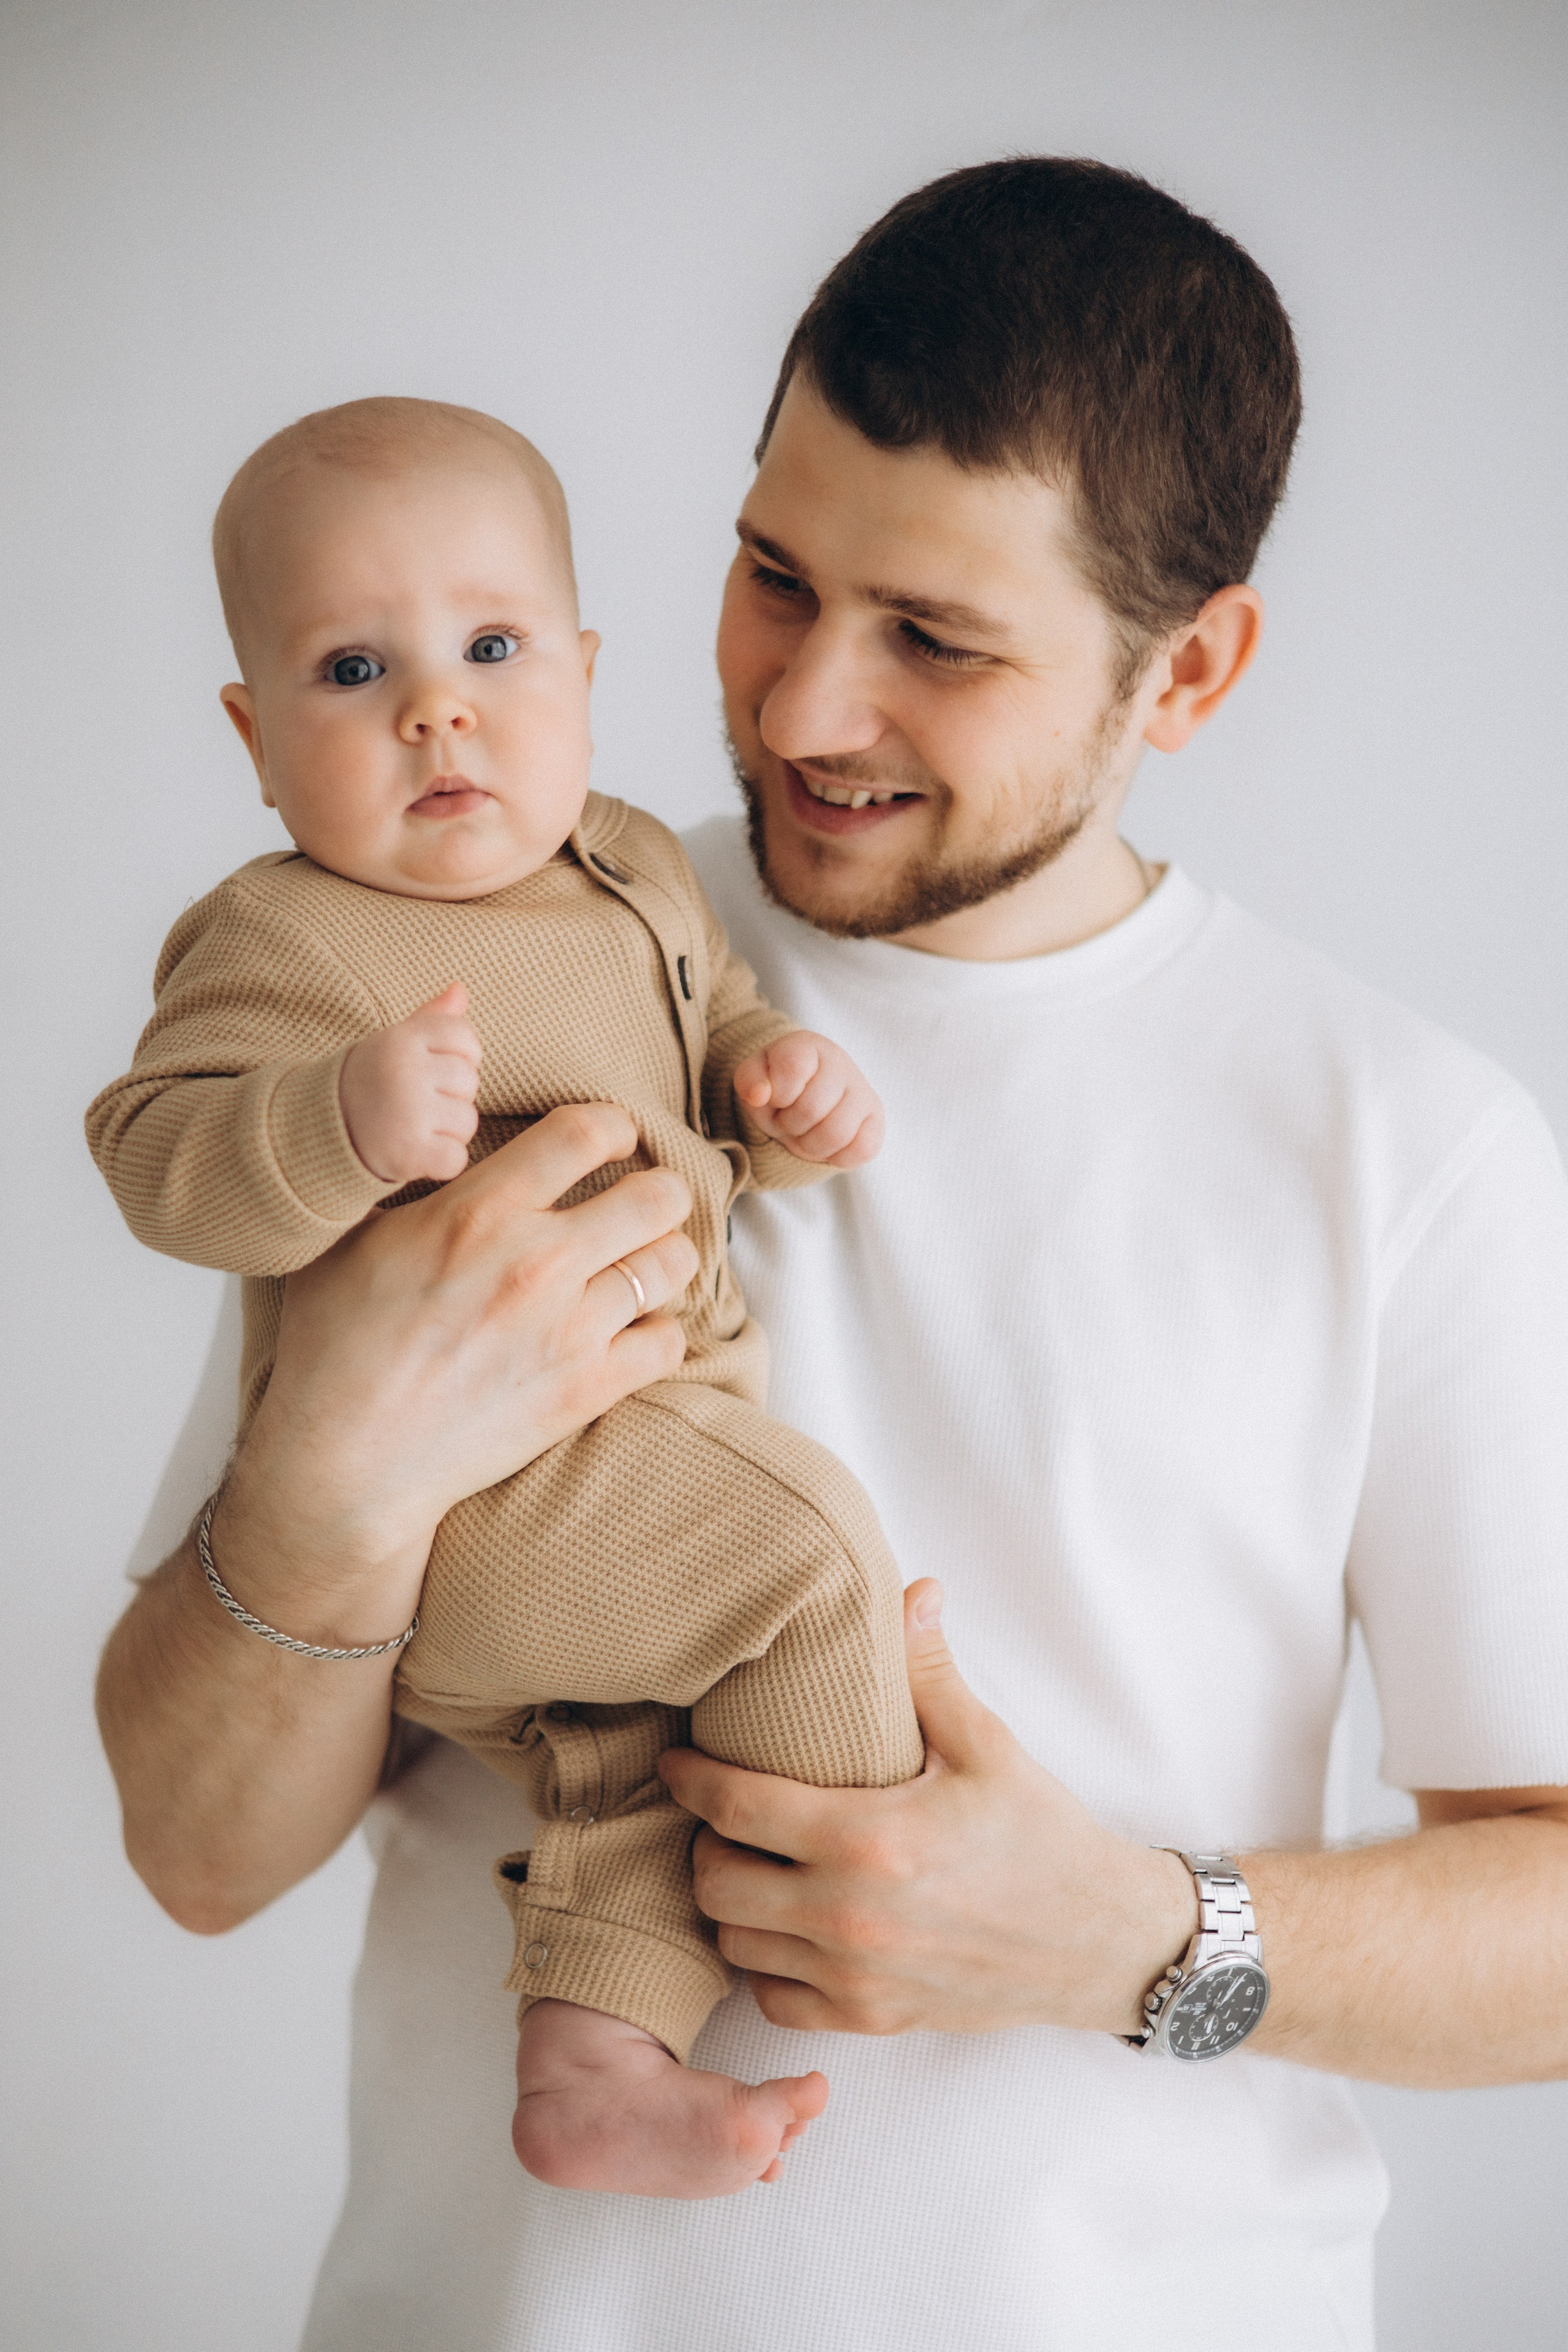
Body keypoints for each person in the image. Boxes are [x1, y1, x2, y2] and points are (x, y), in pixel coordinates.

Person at [96, 159, 1568, 2351]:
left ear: (1196, 671)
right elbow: (198, 1855)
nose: (798, 712)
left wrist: (1133, 1940)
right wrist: (339, 1481)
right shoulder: (477, 958)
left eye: (939, 642)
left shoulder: (1408, 1144)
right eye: (772, 576)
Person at [86, 393, 924, 2196]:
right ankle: (858, 1901)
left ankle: (596, 2056)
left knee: (627, 1760)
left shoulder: (627, 862)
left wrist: (776, 1084)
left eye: (488, 648)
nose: (433, 710)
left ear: (583, 667)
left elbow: (701, 1039)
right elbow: (156, 1153)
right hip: (482, 1504)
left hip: (626, 1464)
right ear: (251, 737)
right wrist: (337, 1119)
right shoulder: (291, 937)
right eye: (349, 670)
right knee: (808, 1560)